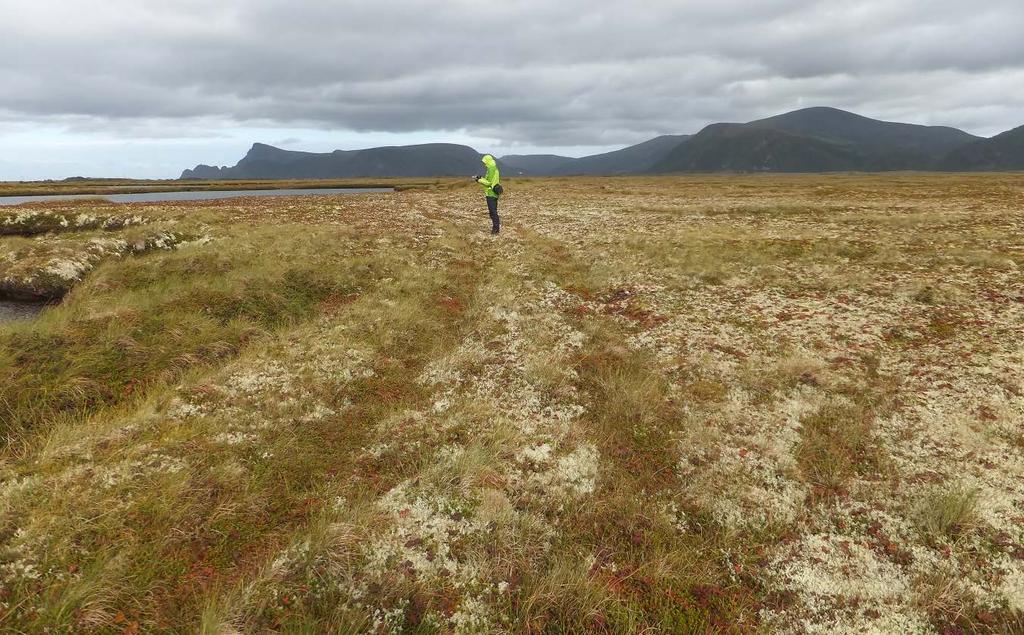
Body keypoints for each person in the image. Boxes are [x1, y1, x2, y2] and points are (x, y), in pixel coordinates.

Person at [475, 154, 501, 234]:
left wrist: (479, 180)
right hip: (493, 193)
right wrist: (481, 178)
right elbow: (489, 180)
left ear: (488, 161)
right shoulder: (493, 168)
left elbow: (488, 183)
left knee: (493, 212)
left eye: (485, 162)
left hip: (491, 193)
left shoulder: (491, 169)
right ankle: (496, 228)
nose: (484, 164)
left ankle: (495, 230)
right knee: (493, 211)